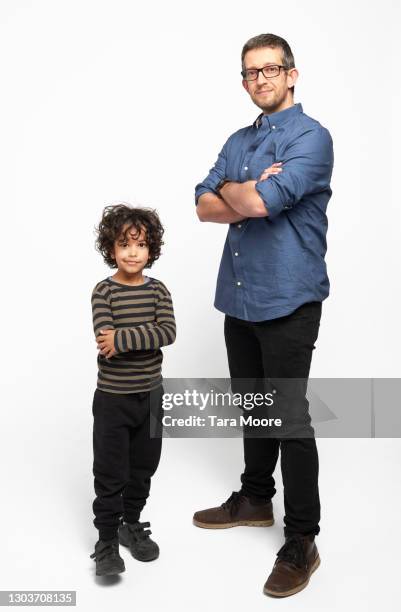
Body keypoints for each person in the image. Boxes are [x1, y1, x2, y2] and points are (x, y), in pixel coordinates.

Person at [193, 33, 334, 597]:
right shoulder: (237, 140)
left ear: (292, 74)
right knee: (253, 405)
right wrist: (243, 186)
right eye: (250, 73)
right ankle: (255, 497)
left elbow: (255, 206)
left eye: (270, 70)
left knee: (288, 416)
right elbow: (204, 206)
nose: (260, 81)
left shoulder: (312, 139)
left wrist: (241, 192)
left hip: (289, 298)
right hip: (240, 297)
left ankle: (302, 538)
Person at [89, 204, 176, 576]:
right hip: (113, 398)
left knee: (143, 466)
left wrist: (123, 338)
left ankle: (131, 523)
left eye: (140, 245)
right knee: (111, 470)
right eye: (123, 244)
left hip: (151, 397)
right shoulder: (103, 292)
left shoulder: (158, 291)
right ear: (111, 248)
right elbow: (104, 341)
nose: (131, 252)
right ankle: (106, 539)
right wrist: (138, 337)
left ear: (151, 250)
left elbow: (168, 332)